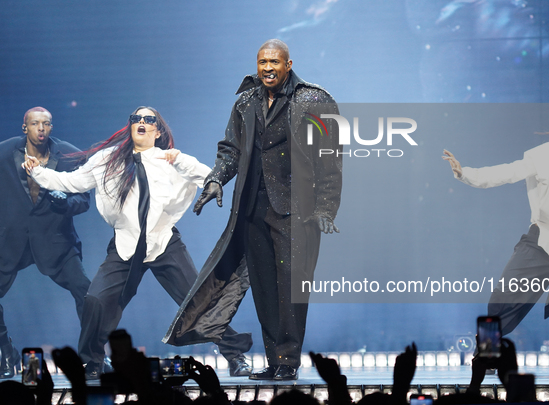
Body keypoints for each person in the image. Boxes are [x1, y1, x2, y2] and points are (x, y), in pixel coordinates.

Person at [24, 106, 252, 379]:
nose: (141, 122)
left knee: (198, 301)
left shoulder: (170, 159)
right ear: (131, 126)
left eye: (148, 119)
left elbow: (208, 176)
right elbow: (72, 182)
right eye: (136, 119)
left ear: (158, 130)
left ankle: (235, 355)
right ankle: (93, 361)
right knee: (95, 300)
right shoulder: (108, 160)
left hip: (163, 242)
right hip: (125, 245)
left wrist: (180, 161)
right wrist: (38, 172)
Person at [164, 39, 342, 381]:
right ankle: (275, 360)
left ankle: (287, 362)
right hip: (252, 208)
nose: (268, 68)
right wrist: (215, 180)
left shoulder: (314, 99)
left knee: (291, 288)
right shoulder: (246, 102)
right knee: (263, 288)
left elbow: (331, 159)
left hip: (296, 210)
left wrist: (325, 207)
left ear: (288, 65)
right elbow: (230, 150)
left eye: (274, 62)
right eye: (263, 62)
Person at [443, 111, 549, 336]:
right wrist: (466, 174)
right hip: (544, 242)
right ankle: (486, 354)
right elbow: (509, 171)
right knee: (502, 300)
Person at [0, 107, 91, 378]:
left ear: (52, 128)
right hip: (10, 241)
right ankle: (6, 351)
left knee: (87, 294)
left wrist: (64, 203)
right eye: (35, 123)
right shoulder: (4, 153)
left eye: (46, 124)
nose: (41, 128)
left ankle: (91, 358)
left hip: (55, 241)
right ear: (25, 127)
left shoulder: (70, 155)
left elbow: (83, 199)